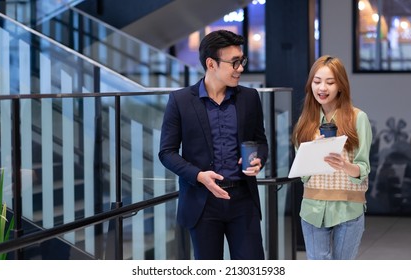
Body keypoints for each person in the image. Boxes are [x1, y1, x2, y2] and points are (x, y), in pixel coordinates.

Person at [158, 30, 268, 260]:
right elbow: (167, 152)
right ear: (211, 64)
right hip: (202, 203)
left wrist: (258, 160)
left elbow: (261, 142)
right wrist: (198, 175)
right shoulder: (180, 100)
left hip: (242, 201)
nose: (241, 68)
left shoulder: (249, 97)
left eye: (242, 61)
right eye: (234, 62)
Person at [291, 55, 372, 260]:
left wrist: (344, 165)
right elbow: (303, 173)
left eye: (330, 82)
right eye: (317, 82)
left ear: (341, 85)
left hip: (349, 208)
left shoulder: (357, 118)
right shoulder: (305, 121)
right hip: (312, 207)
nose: (322, 88)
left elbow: (363, 168)